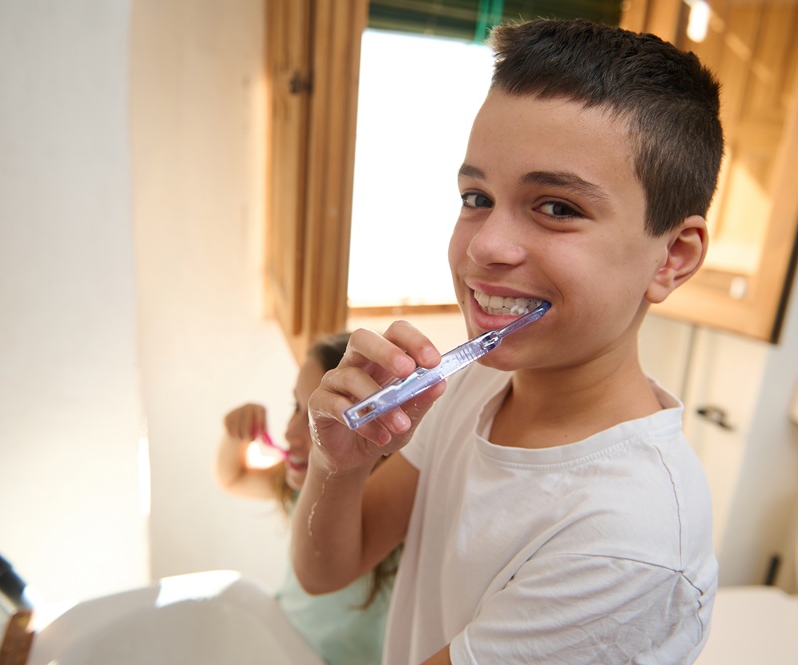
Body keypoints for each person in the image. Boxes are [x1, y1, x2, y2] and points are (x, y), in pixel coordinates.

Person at [292, 18, 723, 665]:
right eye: (477, 196)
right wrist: (340, 465)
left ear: (672, 258)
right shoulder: (480, 383)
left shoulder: (627, 538)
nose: (485, 245)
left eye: (557, 207)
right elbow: (328, 569)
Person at [215, 332, 400, 665]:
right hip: (279, 637)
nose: (290, 431)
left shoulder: (395, 509)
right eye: (296, 407)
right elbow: (234, 478)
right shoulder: (301, 487)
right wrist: (235, 437)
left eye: (318, 417)